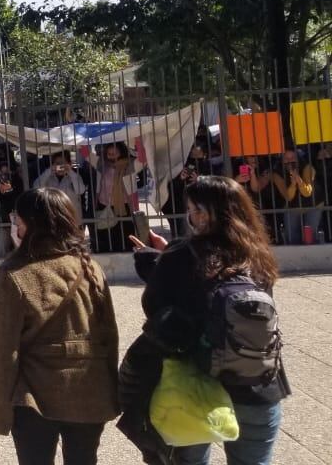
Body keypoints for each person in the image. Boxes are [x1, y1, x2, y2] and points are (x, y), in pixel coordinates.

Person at [126, 176, 290, 465]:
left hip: (196, 381)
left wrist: (162, 261)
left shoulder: (182, 253)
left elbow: (156, 308)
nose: (191, 216)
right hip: (258, 380)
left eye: (195, 209)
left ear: (206, 213)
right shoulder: (257, 253)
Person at [0, 187, 120, 465]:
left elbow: (3, 352)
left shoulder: (13, 275)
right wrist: (110, 387)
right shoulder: (90, 267)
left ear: (27, 225)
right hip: (89, 388)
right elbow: (109, 335)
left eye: (17, 220)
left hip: (35, 396)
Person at [273, 148, 320, 245]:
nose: (290, 161)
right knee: (292, 237)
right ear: (282, 160)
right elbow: (288, 197)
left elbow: (307, 192)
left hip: (313, 204)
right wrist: (293, 185)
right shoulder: (277, 173)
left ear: (298, 158)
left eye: (292, 158)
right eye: (286, 158)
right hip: (292, 206)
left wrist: (299, 181)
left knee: (310, 236)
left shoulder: (308, 168)